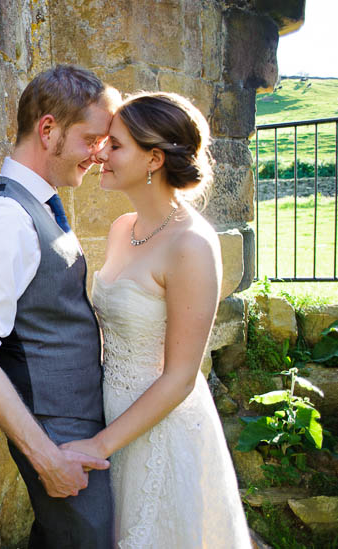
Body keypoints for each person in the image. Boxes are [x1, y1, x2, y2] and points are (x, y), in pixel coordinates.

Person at [61, 92, 251, 547]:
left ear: (154, 158)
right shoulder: (122, 228)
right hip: (113, 410)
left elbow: (182, 377)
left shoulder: (192, 246)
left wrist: (99, 445)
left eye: (116, 145)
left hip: (163, 425)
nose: (101, 153)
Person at [0, 64, 119, 548]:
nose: (98, 154)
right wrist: (46, 457)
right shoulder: (4, 216)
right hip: (59, 440)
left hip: (81, 426)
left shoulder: (38, 204)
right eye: (91, 138)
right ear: (49, 129)